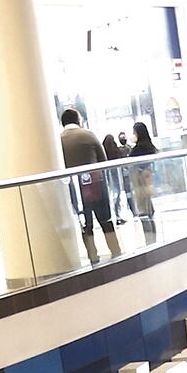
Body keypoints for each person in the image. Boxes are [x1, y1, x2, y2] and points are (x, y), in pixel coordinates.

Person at [60, 107, 122, 259]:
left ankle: (93, 256)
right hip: (96, 184)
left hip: (75, 188)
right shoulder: (89, 135)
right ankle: (116, 251)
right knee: (105, 220)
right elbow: (103, 160)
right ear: (78, 120)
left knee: (85, 224)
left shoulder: (59, 140)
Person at [127, 121, 161, 240]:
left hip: (140, 183)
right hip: (147, 183)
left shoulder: (139, 149)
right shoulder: (149, 146)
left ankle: (149, 240)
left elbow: (130, 163)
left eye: (134, 132)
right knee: (149, 211)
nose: (133, 135)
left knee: (144, 212)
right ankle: (152, 238)